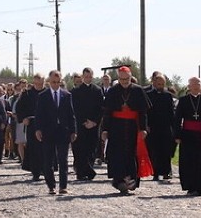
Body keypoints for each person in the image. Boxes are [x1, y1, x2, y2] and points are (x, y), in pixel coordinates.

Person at [101, 66, 152, 195]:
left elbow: (143, 112)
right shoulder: (113, 91)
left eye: (126, 79)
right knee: (117, 155)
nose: (124, 81)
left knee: (132, 154)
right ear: (118, 78)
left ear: (130, 78)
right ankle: (119, 182)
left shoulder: (138, 91)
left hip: (133, 127)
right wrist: (105, 129)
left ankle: (132, 181)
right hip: (116, 127)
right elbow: (107, 113)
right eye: (122, 79)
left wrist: (143, 129)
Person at [34, 70, 77, 195]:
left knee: (63, 160)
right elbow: (39, 115)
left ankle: (63, 186)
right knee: (48, 160)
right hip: (48, 132)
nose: (56, 84)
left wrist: (73, 130)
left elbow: (71, 115)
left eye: (58, 82)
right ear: (49, 81)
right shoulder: (43, 96)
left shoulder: (67, 95)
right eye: (53, 82)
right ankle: (51, 186)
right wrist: (38, 129)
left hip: (63, 132)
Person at [71, 67, 103, 181]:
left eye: (90, 77)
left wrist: (94, 122)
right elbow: (75, 109)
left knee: (91, 149)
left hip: (94, 125)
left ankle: (88, 170)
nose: (88, 79)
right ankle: (81, 172)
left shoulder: (98, 90)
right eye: (86, 76)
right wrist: (84, 121)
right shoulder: (76, 91)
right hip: (81, 125)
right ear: (82, 77)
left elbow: (101, 108)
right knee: (80, 149)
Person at [145, 71, 176, 181]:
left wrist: (174, 127)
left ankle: (166, 172)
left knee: (166, 151)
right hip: (152, 127)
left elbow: (171, 113)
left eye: (163, 84)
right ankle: (156, 172)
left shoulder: (168, 96)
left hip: (165, 127)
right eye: (159, 84)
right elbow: (145, 112)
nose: (161, 86)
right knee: (154, 150)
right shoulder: (148, 95)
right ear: (154, 82)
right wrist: (146, 125)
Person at [15, 73, 45, 181]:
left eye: (41, 83)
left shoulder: (48, 93)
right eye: (37, 83)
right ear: (34, 82)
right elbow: (19, 108)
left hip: (45, 125)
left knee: (45, 148)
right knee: (33, 148)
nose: (39, 86)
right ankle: (35, 171)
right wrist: (23, 118)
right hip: (32, 124)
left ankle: (45, 169)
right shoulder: (27, 94)